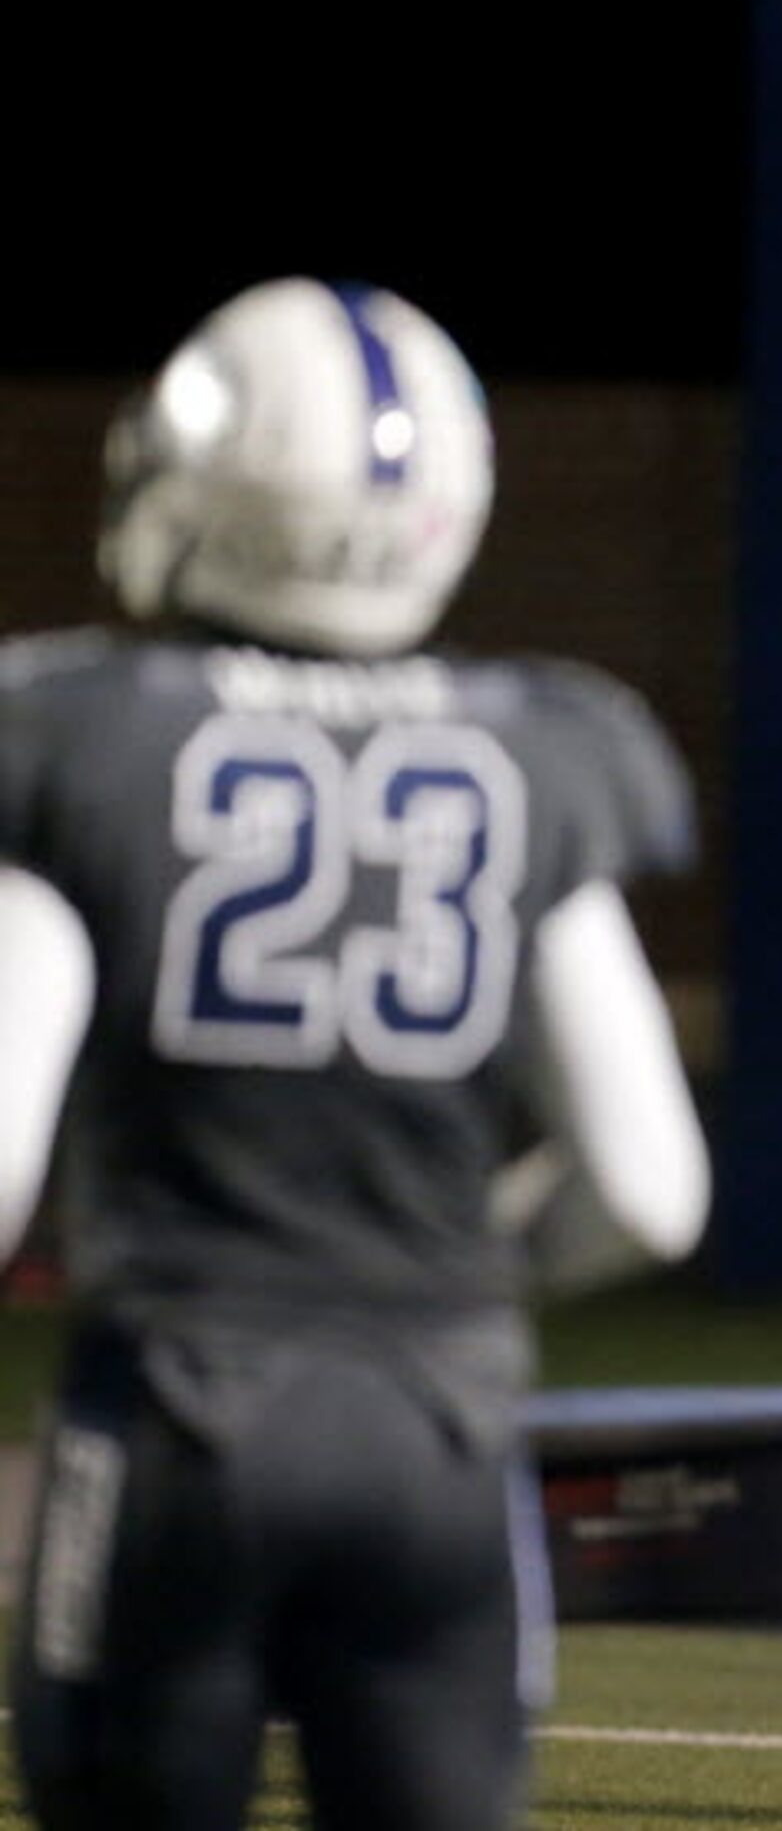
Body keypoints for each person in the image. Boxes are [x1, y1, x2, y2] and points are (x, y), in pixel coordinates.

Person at [0, 280, 711, 1827]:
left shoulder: (80, 731)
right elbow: (650, 1193)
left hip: (177, 1411)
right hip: (434, 1428)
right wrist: (421, 1277)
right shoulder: (544, 741)